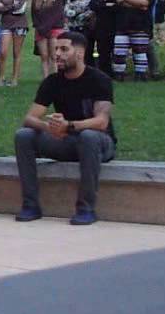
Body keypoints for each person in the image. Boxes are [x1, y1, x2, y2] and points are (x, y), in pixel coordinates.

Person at [14, 32, 116, 226]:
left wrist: (69, 125)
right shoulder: (52, 81)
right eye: (56, 49)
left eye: (64, 49)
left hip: (100, 143)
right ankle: (30, 205)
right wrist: (50, 126)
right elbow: (29, 118)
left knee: (89, 137)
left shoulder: (99, 79)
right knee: (24, 135)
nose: (57, 54)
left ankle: (86, 208)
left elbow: (101, 122)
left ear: (80, 53)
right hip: (67, 140)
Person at [123, 0, 162, 76]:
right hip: (131, 18)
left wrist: (133, 1)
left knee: (148, 45)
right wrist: (136, 3)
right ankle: (139, 71)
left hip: (147, 17)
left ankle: (154, 70)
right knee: (135, 45)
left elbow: (148, 1)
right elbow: (124, 2)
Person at [113, 0, 154, 82]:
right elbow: (119, 1)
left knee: (140, 52)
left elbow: (145, 4)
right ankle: (119, 75)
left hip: (141, 27)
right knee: (119, 51)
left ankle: (140, 76)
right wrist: (137, 4)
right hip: (123, 27)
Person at [30, 0, 67, 78]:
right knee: (44, 56)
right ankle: (46, 79)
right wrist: (38, 26)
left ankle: (55, 78)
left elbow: (56, 14)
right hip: (40, 29)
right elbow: (34, 14)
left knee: (54, 56)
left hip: (54, 28)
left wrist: (46, 28)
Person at [0, 0, 28, 87]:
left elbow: (20, 10)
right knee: (3, 52)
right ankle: (1, 78)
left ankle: (14, 79)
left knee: (16, 53)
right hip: (5, 26)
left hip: (20, 25)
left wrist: (5, 7)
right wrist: (11, 7)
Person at [90, 0, 122, 75]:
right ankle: (104, 73)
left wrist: (104, 6)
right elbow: (93, 6)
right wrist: (107, 5)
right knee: (102, 51)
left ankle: (117, 73)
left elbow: (119, 8)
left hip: (115, 26)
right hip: (100, 27)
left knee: (115, 51)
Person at [65, 0, 97, 67]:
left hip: (86, 30)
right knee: (73, 51)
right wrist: (76, 13)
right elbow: (67, 11)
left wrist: (78, 14)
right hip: (72, 29)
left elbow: (91, 12)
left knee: (86, 52)